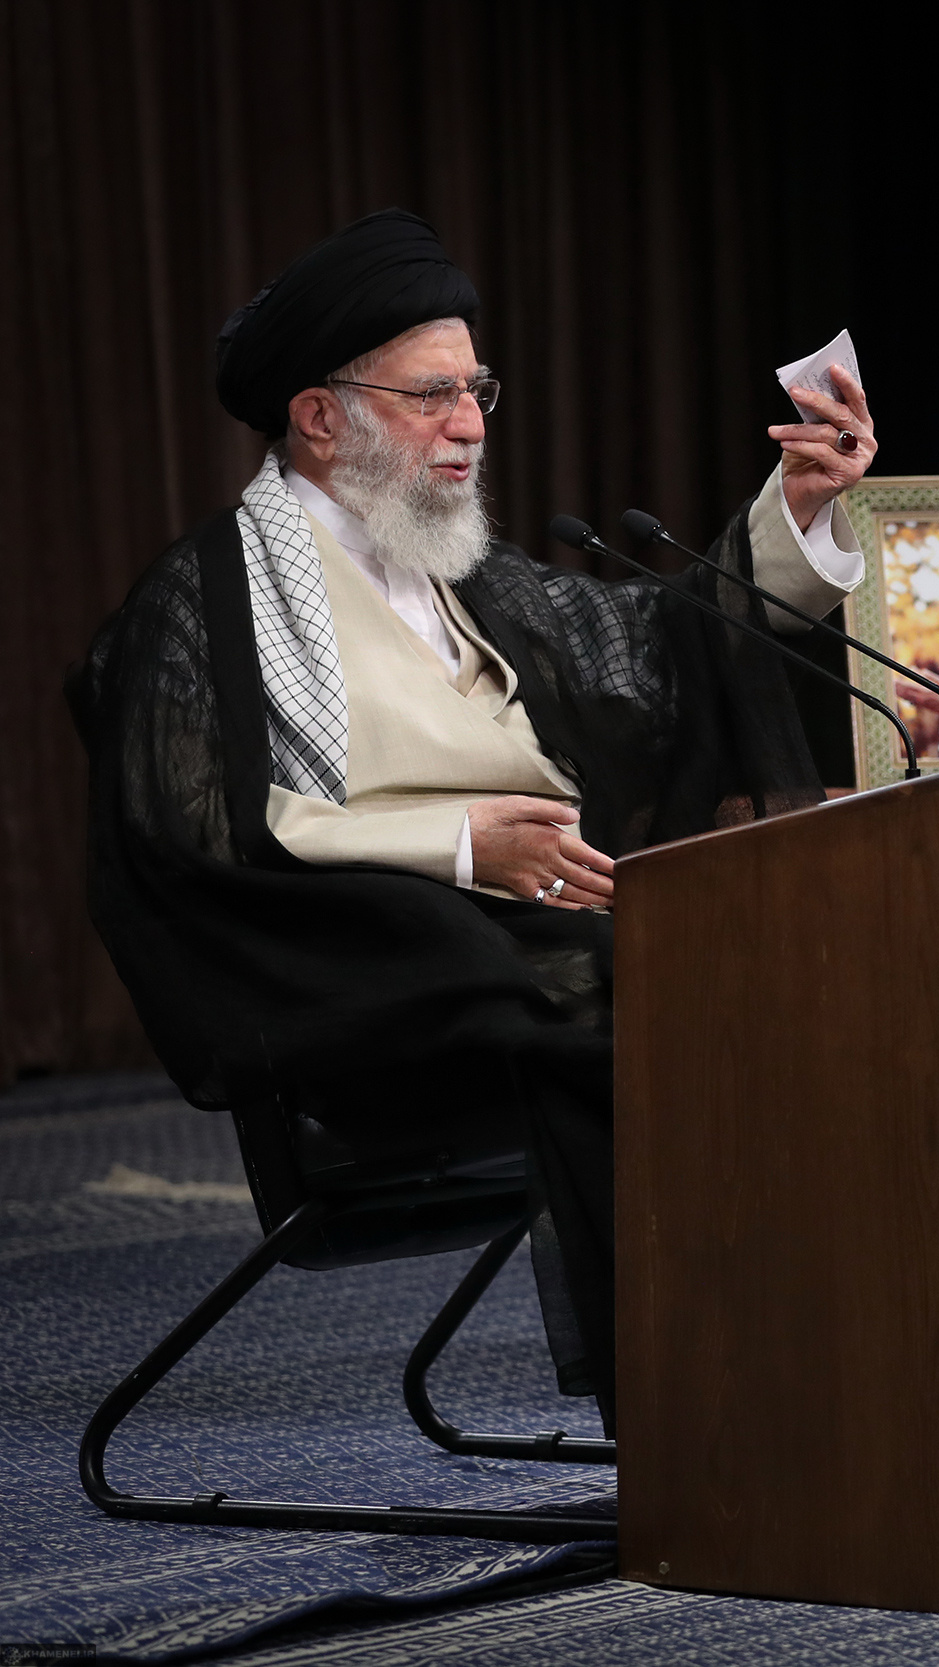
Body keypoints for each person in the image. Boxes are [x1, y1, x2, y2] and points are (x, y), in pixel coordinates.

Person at [68, 209, 878, 1431]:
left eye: (476, 389)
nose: (470, 424)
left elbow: (662, 646)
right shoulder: (203, 600)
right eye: (432, 394)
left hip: (555, 931)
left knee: (813, 956)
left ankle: (850, 1361)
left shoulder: (466, 571)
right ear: (319, 415)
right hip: (383, 972)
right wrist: (456, 849)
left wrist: (797, 509)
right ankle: (708, 1408)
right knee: (667, 1007)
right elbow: (182, 832)